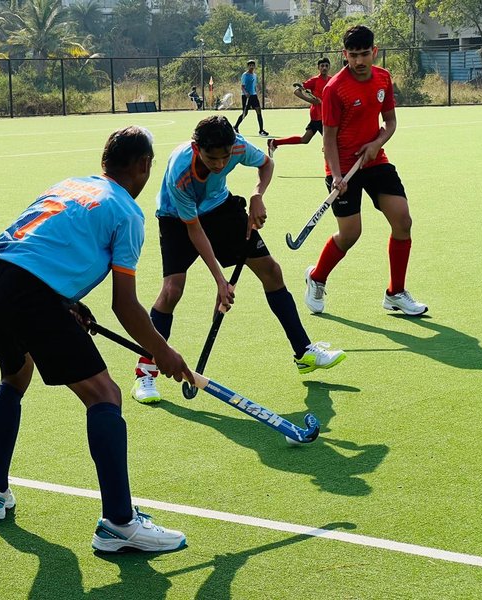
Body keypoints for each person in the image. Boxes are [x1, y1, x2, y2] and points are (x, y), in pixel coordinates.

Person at [0, 126, 193, 553]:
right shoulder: (127, 212)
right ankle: (119, 523)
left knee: (15, 376)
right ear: (144, 166)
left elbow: (40, 248)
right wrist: (161, 351)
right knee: (105, 395)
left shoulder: (70, 184)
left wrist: (65, 301)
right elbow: (125, 306)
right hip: (28, 294)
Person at [130, 115, 345, 404]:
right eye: (211, 158)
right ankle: (146, 372)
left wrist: (258, 195)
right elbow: (194, 229)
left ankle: (303, 352)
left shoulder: (239, 147)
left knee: (271, 270)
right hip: (177, 220)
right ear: (196, 148)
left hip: (220, 207)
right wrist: (220, 281)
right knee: (172, 290)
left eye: (225, 157)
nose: (219, 164)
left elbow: (266, 165)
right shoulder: (181, 171)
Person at [304, 25, 428, 317]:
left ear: (374, 51)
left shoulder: (383, 78)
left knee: (403, 221)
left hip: (375, 160)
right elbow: (328, 138)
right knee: (350, 235)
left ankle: (395, 293)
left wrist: (377, 143)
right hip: (344, 167)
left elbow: (390, 123)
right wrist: (336, 176)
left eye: (364, 55)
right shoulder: (335, 88)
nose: (359, 62)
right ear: (344, 55)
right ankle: (317, 277)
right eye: (353, 56)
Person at [267, 57, 331, 158]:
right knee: (331, 141)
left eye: (326, 66)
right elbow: (297, 91)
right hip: (318, 116)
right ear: (318, 67)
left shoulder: (331, 80)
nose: (324, 68)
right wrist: (311, 100)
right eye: (322, 66)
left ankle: (274, 143)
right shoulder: (314, 80)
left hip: (325, 115)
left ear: (329, 67)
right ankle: (332, 166)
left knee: (305, 139)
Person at [233, 60, 269, 137]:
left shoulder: (255, 75)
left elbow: (254, 86)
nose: (251, 67)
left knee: (259, 111)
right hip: (246, 96)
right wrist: (246, 93)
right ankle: (235, 127)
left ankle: (261, 130)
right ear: (248, 66)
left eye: (253, 65)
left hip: (253, 96)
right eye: (250, 65)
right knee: (245, 113)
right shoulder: (245, 75)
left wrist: (254, 93)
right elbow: (242, 87)